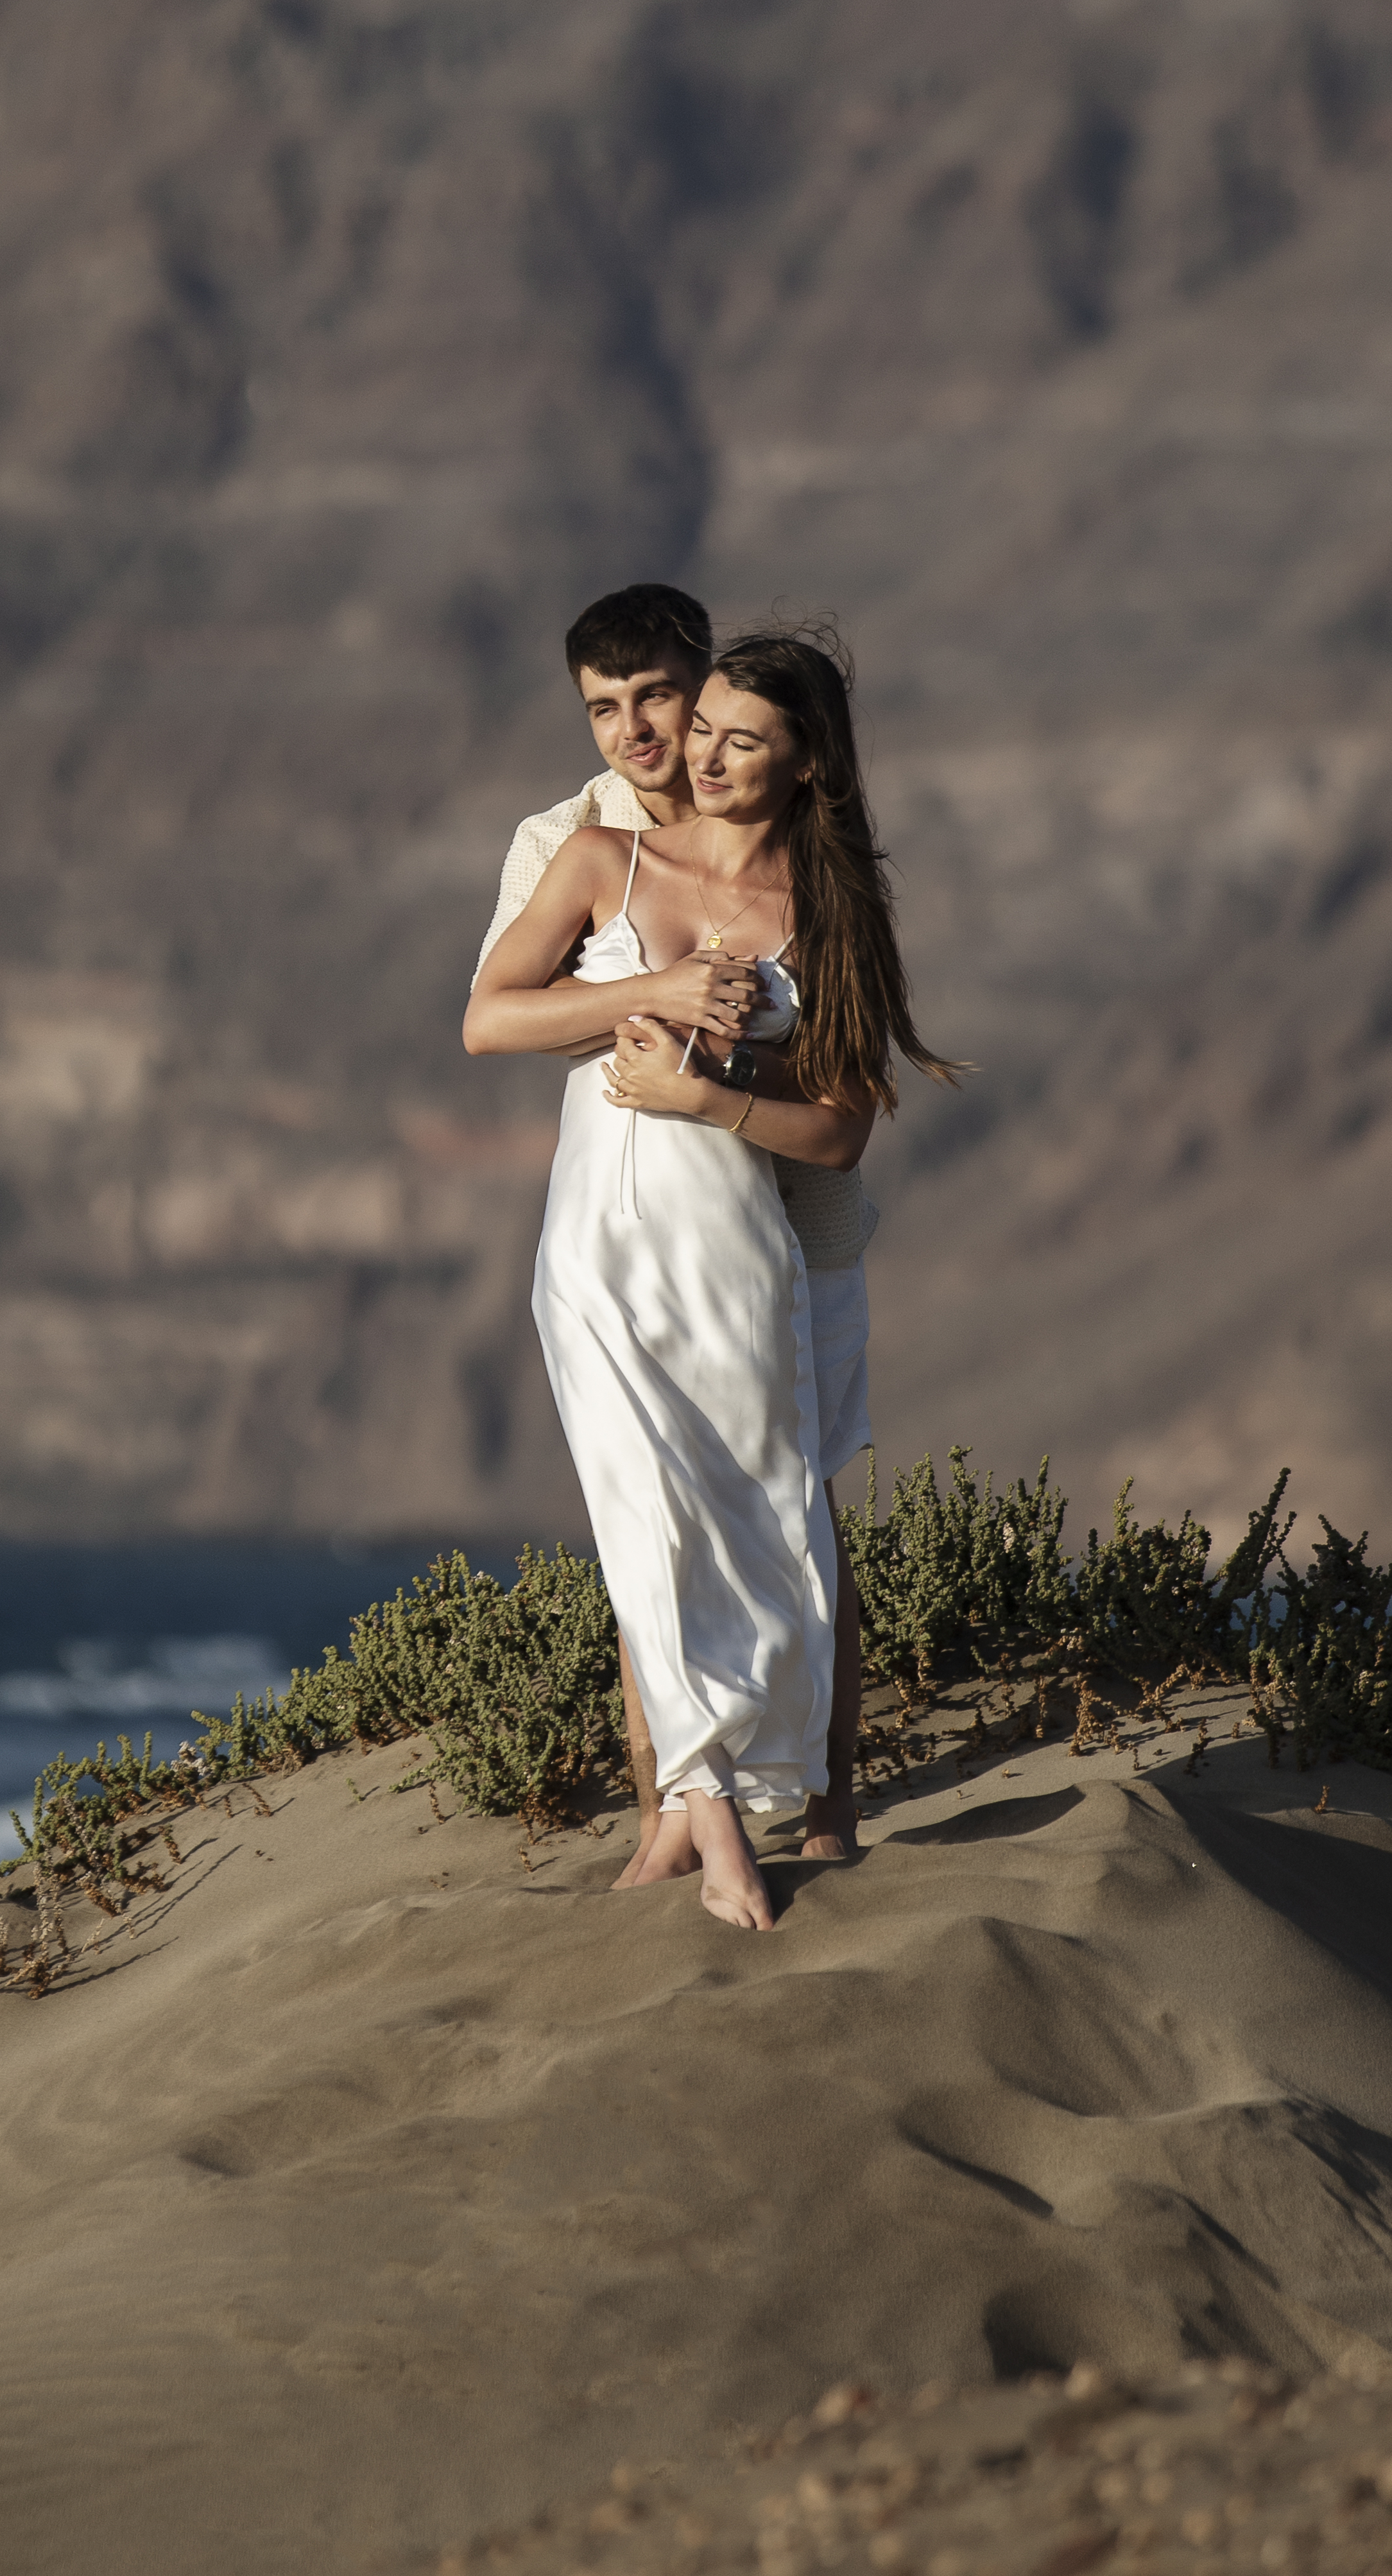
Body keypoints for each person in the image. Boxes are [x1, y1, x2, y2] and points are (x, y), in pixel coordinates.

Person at [466, 625, 957, 1930]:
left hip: (750, 1237)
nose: (693, 751)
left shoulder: (825, 907)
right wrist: (669, 985)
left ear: (804, 763)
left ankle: (790, 1796)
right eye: (697, 733)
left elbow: (842, 1123)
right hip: (595, 1242)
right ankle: (702, 1813)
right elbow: (485, 1015)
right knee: (639, 1515)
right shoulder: (587, 853)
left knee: (769, 1513)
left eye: (729, 732)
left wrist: (700, 1092)